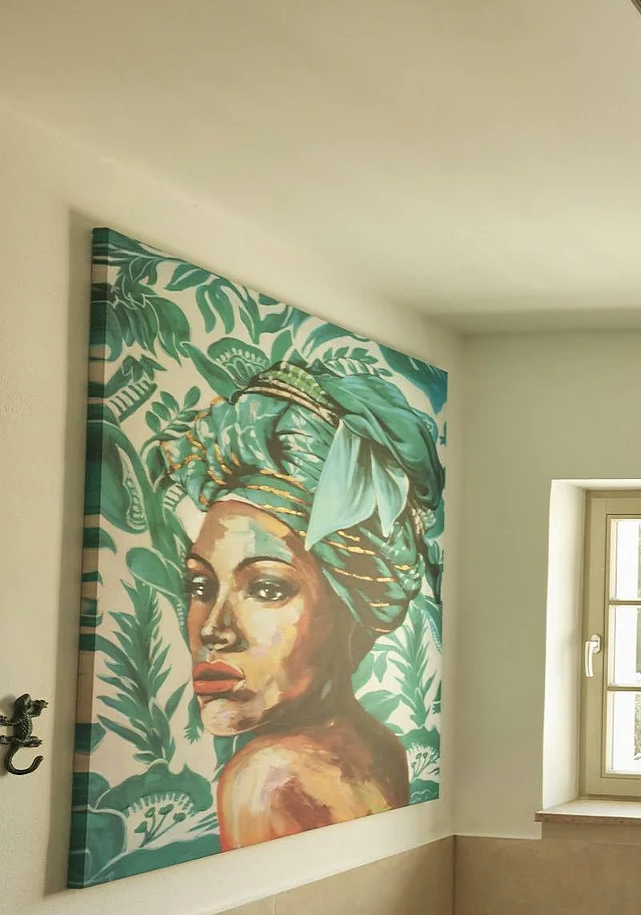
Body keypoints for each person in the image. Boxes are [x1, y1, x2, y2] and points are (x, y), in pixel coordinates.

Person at [157, 361, 443, 847]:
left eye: (267, 588)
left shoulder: (265, 779)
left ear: (352, 606)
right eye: (202, 586)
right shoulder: (380, 746)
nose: (214, 630)